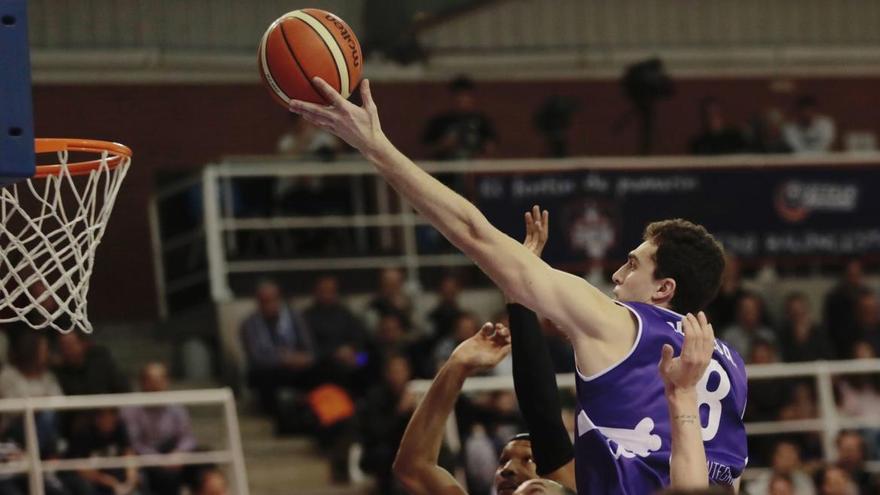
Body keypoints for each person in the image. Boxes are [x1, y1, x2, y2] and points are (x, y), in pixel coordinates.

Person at [290, 77, 747, 492]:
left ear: (663, 289)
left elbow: (473, 231)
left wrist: (375, 147)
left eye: (632, 265)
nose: (616, 275)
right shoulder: (730, 366)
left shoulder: (619, 324)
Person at [508, 210, 716, 492]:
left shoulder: (622, 333)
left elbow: (542, 414)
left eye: (527, 459)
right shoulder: (728, 363)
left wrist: (519, 285)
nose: (508, 471)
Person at [239, 280, 316, 415]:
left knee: (320, 371)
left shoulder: (294, 318)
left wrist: (298, 358)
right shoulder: (250, 324)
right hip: (268, 371)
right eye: (265, 301)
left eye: (272, 300)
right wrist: (283, 359)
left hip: (296, 367)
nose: (269, 305)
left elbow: (309, 349)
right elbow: (256, 357)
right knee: (263, 377)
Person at [121, 362, 197, 494]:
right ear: (143, 383)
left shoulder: (176, 406)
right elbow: (134, 443)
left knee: (203, 462)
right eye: (152, 381)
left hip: (172, 455)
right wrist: (158, 460)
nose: (156, 385)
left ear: (166, 382)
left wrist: (179, 453)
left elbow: (188, 437)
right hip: (145, 458)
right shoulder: (131, 409)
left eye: (160, 380)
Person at [302, 276, 370, 392]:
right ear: (316, 292)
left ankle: (364, 402)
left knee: (367, 359)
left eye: (331, 291)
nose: (327, 295)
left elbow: (359, 336)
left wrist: (353, 350)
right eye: (323, 291)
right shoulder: (308, 317)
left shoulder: (345, 313)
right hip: (325, 361)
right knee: (331, 368)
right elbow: (309, 346)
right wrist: (335, 353)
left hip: (351, 357)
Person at [422, 76, 497, 160]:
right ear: (451, 98)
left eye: (466, 96)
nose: (462, 101)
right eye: (458, 96)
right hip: (446, 170)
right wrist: (443, 145)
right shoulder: (439, 122)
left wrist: (481, 156)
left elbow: (491, 148)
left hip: (474, 170)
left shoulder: (482, 121)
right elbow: (425, 150)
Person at [68, 408, 141, 495]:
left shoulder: (119, 426)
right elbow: (80, 468)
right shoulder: (84, 432)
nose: (110, 420)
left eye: (112, 415)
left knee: (141, 478)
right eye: (104, 416)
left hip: (116, 472)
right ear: (97, 418)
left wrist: (130, 479)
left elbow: (129, 452)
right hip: (94, 477)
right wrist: (112, 483)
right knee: (85, 487)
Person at [824, 260, 869, 359]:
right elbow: (831, 330)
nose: (854, 279)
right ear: (845, 276)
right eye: (851, 275)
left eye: (857, 275)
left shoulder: (867, 296)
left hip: (869, 347)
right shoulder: (834, 299)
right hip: (842, 349)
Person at [721, 293, 776, 362]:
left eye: (753, 309)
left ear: (759, 311)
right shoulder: (729, 336)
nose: (749, 313)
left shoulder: (768, 335)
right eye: (746, 309)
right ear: (738, 311)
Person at [747, 440, 816, 495]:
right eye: (785, 457)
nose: (788, 462)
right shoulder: (758, 485)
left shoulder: (805, 482)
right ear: (774, 458)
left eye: (791, 457)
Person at [779, 292, 832, 362]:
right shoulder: (783, 335)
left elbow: (829, 358)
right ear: (787, 314)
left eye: (801, 309)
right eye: (794, 311)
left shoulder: (821, 333)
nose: (798, 314)